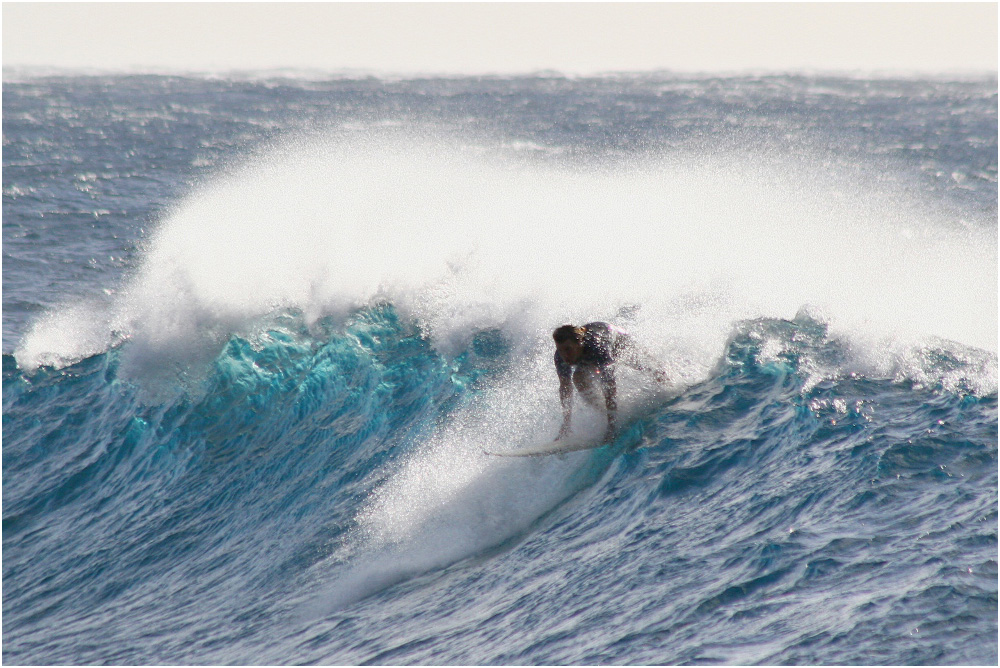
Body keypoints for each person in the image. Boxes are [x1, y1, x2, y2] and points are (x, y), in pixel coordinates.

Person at [552, 322, 667, 442]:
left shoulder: (598, 347)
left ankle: (667, 383)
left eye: (568, 349)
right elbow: (565, 388)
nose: (565, 355)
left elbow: (609, 386)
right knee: (578, 379)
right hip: (590, 353)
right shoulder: (560, 357)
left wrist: (611, 427)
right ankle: (607, 412)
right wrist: (566, 424)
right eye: (560, 350)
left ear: (579, 343)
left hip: (618, 340)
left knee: (645, 366)